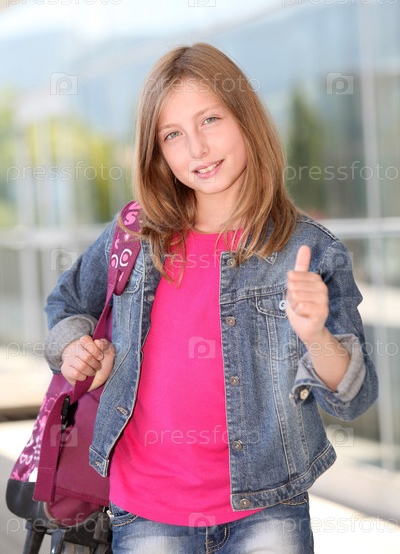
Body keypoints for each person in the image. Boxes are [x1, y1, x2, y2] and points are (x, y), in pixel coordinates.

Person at [44, 42, 378, 554]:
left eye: (210, 120)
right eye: (173, 134)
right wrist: (75, 349)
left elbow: (354, 396)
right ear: (157, 152)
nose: (196, 148)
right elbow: (67, 305)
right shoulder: (134, 235)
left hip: (267, 508)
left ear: (246, 119)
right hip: (146, 510)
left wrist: (316, 335)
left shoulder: (308, 250)